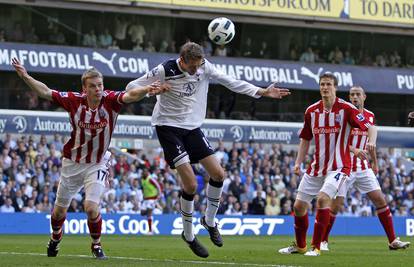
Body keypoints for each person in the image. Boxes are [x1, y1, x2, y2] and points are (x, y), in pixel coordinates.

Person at [126, 42, 290, 258]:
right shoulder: (165, 70)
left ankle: (209, 221)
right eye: (192, 66)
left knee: (219, 174)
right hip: (168, 127)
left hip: (192, 127)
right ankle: (189, 234)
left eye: (199, 65)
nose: (196, 70)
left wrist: (262, 92)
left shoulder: (205, 66)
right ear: (182, 60)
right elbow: (130, 87)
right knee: (191, 184)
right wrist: (150, 89)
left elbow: (231, 82)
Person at [11, 57, 169, 259]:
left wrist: (147, 89)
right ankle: (55, 238)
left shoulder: (111, 101)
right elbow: (44, 91)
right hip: (72, 164)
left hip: (97, 163)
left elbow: (130, 95)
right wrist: (25, 76)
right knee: (58, 213)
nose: (98, 89)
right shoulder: (73, 101)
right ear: (84, 89)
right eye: (93, 86)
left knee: (91, 207)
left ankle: (96, 245)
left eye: (100, 85)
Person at [278, 73, 377, 256]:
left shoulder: (346, 108)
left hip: (339, 166)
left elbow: (370, 126)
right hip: (316, 167)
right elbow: (305, 139)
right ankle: (300, 246)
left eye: (328, 84)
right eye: (322, 84)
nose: (325, 87)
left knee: (323, 199)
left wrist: (371, 142)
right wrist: (298, 162)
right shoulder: (311, 111)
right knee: (298, 207)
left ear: (335, 87)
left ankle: (316, 247)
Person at [320, 86, 410, 251]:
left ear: (364, 97)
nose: (355, 97)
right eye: (352, 94)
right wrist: (354, 150)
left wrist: (374, 162)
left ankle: (392, 241)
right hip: (343, 165)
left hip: (362, 167)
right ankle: (323, 241)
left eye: (357, 94)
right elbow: (333, 140)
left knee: (380, 200)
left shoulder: (369, 116)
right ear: (349, 97)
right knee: (336, 204)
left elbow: (371, 142)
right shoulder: (342, 114)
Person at [140, 168, 162, 235]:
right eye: (143, 172)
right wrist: (143, 194)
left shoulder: (150, 179)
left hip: (152, 198)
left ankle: (150, 231)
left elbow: (158, 186)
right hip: (146, 199)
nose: (144, 173)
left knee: (149, 214)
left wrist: (159, 195)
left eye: (146, 172)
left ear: (148, 173)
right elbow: (143, 188)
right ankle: (152, 209)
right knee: (142, 213)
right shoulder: (142, 180)